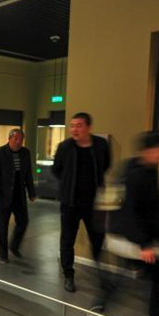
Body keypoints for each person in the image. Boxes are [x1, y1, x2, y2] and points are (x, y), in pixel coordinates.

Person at [90, 131, 159, 316]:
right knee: (146, 282)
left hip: (140, 240)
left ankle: (99, 312)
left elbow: (150, 210)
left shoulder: (145, 170)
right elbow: (133, 212)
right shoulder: (137, 175)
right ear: (149, 150)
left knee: (134, 281)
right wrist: (145, 245)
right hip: (134, 241)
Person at [51, 112, 111, 292]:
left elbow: (106, 165)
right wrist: (69, 183)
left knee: (98, 239)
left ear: (88, 128)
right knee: (67, 241)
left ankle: (102, 276)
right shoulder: (65, 147)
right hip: (70, 203)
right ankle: (68, 275)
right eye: (72, 125)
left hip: (95, 204)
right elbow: (56, 170)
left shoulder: (101, 145)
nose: (74, 129)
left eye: (78, 125)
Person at [0, 128, 36, 263]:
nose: (18, 142)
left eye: (21, 139)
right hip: (3, 195)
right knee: (2, 227)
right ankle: (3, 255)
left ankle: (14, 246)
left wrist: (31, 192)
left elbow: (28, 174)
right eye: (15, 139)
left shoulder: (25, 153)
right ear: (9, 139)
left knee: (23, 221)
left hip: (19, 195)